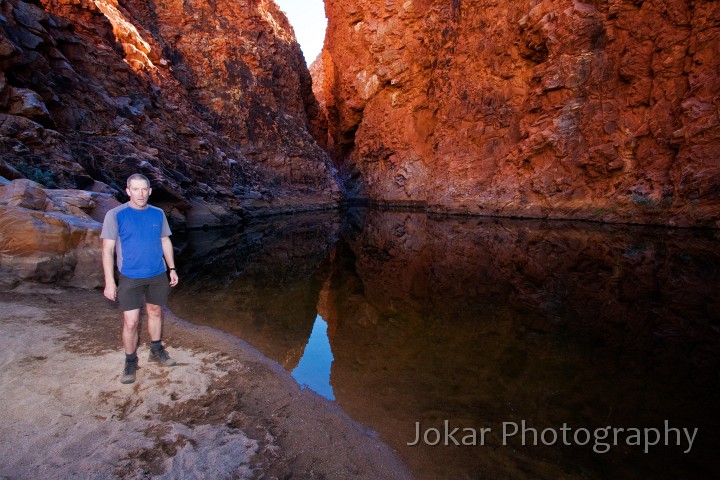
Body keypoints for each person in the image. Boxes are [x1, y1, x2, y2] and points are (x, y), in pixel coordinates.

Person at [101, 173, 179, 384]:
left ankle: (156, 350)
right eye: (136, 189)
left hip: (157, 273)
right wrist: (110, 281)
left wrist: (172, 268)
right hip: (130, 276)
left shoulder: (158, 213)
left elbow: (165, 241)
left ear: (150, 191)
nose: (141, 193)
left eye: (144, 189)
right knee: (131, 322)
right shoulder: (115, 215)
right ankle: (130, 360)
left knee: (155, 311)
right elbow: (107, 250)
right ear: (128, 191)